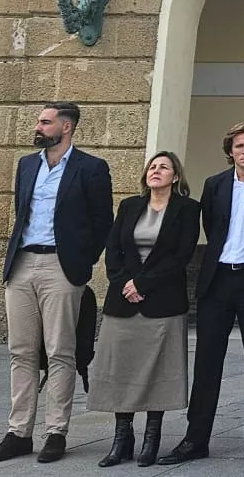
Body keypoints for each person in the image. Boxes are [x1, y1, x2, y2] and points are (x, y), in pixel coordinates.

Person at [0, 103, 114, 465]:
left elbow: (104, 221)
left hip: (62, 266)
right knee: (21, 350)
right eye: (39, 121)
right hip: (23, 263)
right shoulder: (27, 165)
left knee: (60, 351)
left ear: (66, 127)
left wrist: (81, 260)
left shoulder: (91, 168)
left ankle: (56, 431)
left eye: (45, 121)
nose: (38, 127)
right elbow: (20, 211)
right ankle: (18, 432)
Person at [161, 123, 244, 467]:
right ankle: (196, 438)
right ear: (230, 151)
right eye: (239, 146)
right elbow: (212, 226)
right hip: (218, 279)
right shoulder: (215, 184)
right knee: (207, 363)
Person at [92, 150, 200, 468]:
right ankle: (122, 437)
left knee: (159, 371)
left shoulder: (187, 209)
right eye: (152, 167)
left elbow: (181, 254)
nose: (156, 171)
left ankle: (152, 437)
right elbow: (113, 249)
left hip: (163, 302)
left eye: (163, 167)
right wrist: (126, 282)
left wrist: (143, 284)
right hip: (123, 301)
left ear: (175, 177)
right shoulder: (129, 206)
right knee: (122, 369)